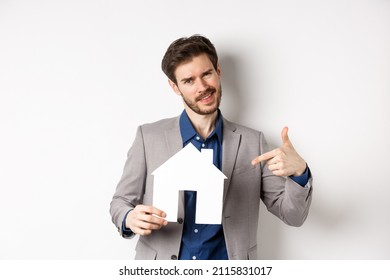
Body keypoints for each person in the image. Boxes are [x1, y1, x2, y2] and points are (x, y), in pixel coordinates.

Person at [110, 35, 313, 260]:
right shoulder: (148, 137)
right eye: (189, 81)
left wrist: (299, 173)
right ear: (174, 87)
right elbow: (120, 202)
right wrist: (129, 218)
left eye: (207, 74)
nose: (202, 87)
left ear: (218, 71)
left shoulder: (252, 142)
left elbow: (293, 216)